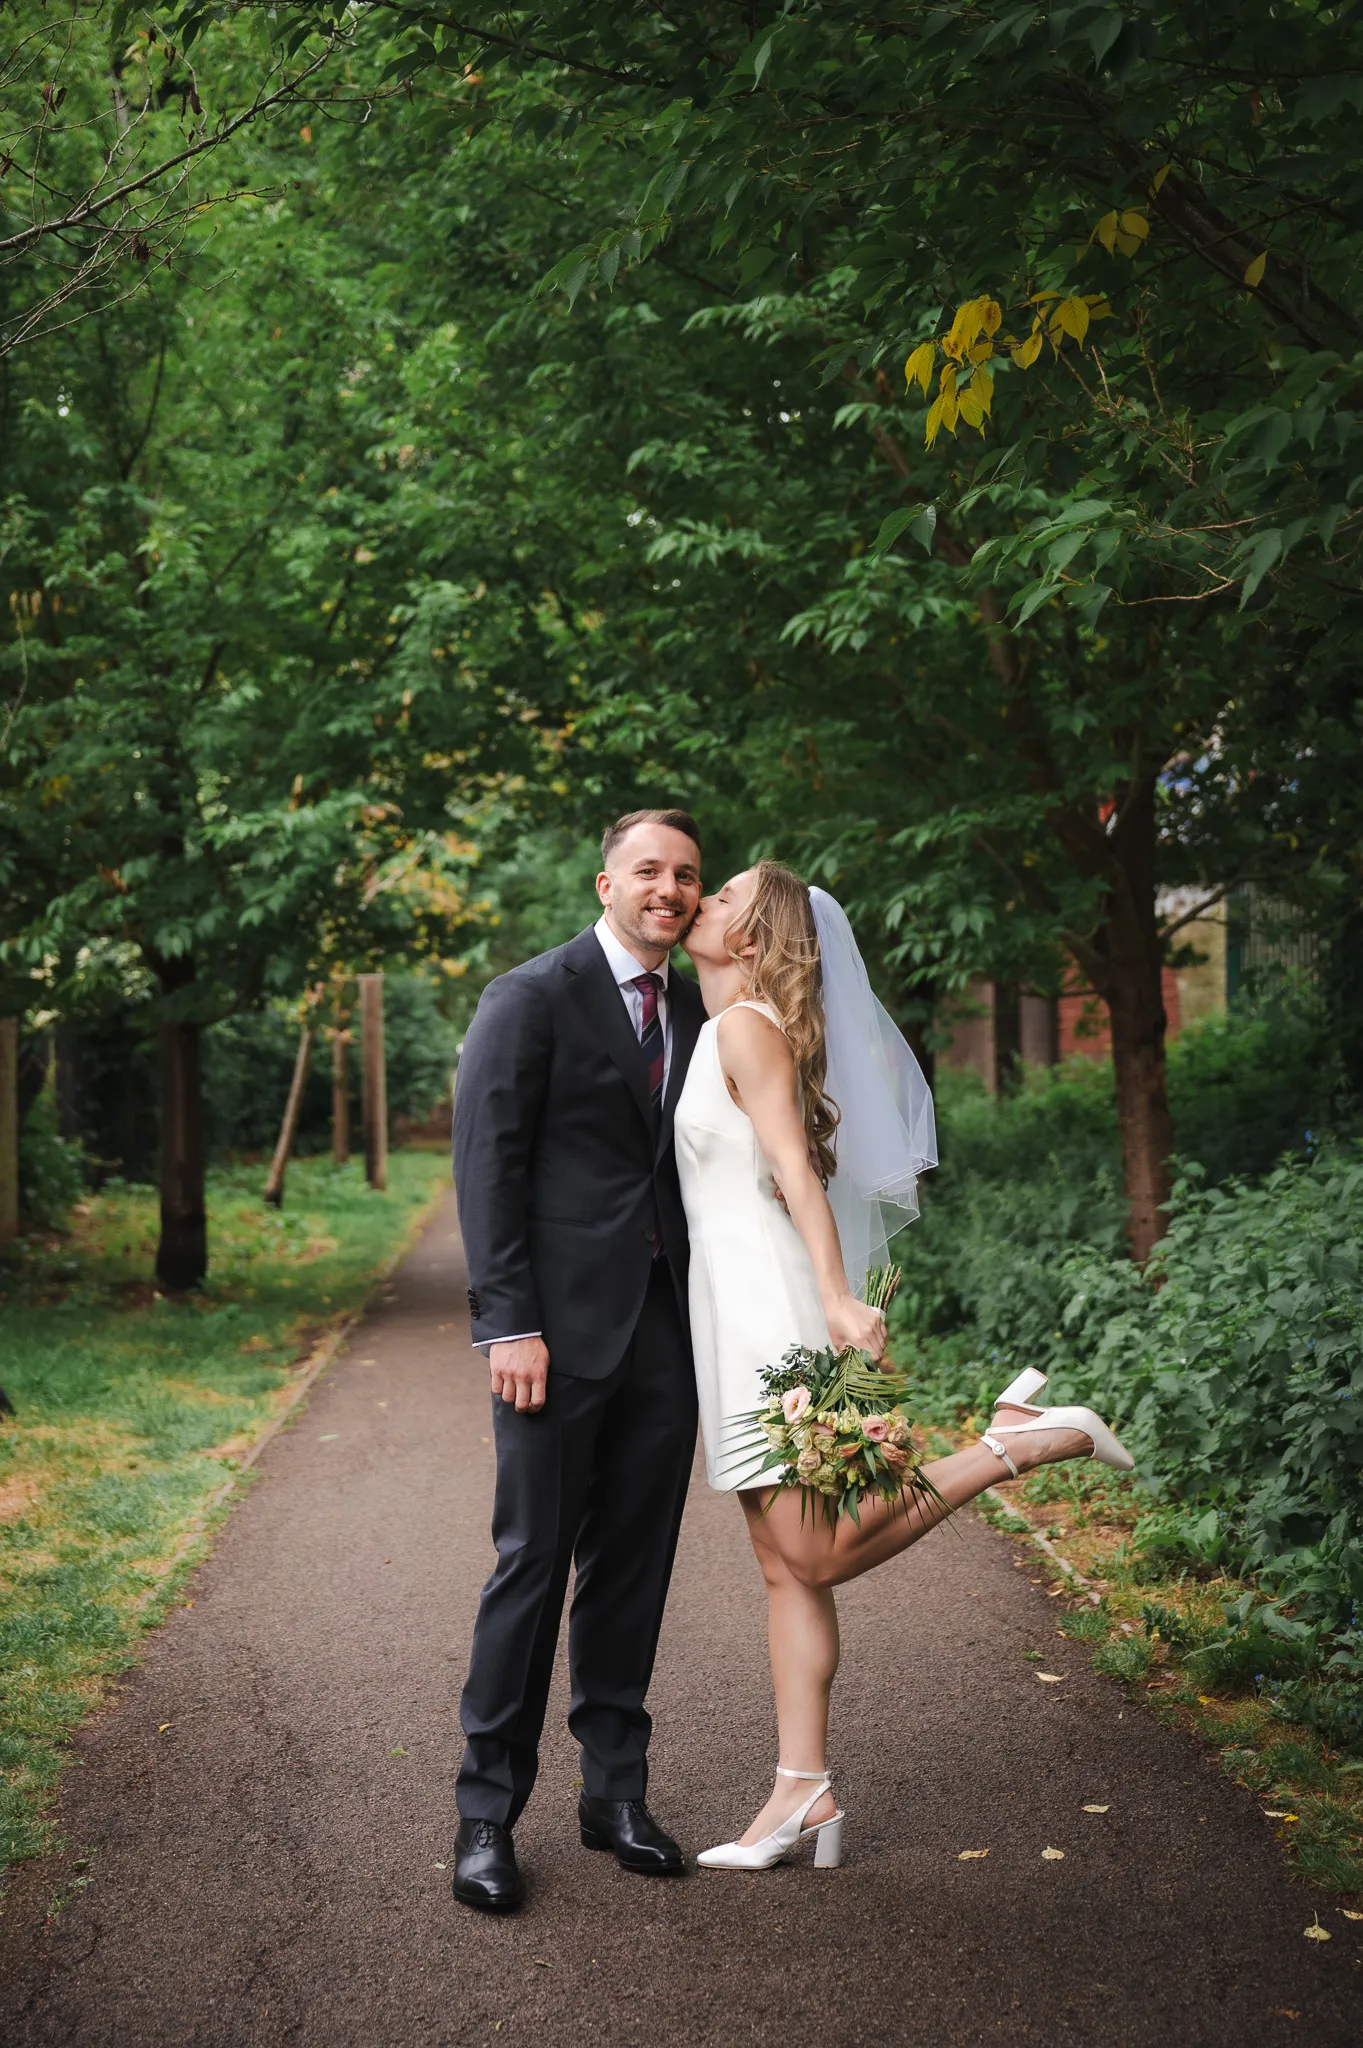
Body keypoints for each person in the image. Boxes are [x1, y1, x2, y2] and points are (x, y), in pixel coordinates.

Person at [674, 860, 1134, 1870]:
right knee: (783, 1565)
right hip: (732, 1313)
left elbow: (796, 1170)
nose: (696, 904)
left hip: (774, 1315)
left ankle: (1017, 1443)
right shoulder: (727, 1028)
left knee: (820, 1550)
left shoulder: (741, 1025)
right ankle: (804, 1790)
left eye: (719, 899)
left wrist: (839, 1302)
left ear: (750, 940)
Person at [449, 809, 707, 1912]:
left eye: (687, 875)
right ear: (605, 881)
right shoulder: (530, 996)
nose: (670, 888)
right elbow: (487, 1164)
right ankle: (484, 1813)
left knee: (635, 1568)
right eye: (650, 869)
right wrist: (508, 1321)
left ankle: (615, 1795)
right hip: (550, 1335)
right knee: (531, 1562)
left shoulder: (698, 1004)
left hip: (665, 1328)